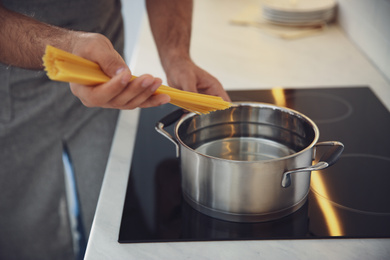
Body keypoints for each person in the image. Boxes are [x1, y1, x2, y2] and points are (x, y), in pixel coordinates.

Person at [0, 0, 230, 259]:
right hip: (13, 86)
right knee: (32, 241)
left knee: (110, 223)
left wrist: (175, 54)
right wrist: (66, 46)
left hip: (105, 73)